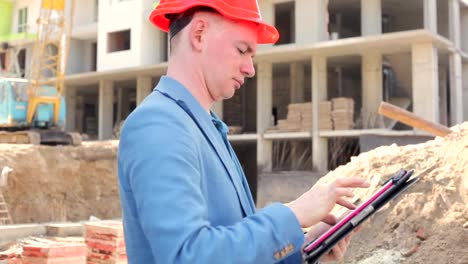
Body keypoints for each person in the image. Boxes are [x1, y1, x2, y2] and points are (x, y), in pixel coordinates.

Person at [117, 0, 369, 263]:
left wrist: (302, 250)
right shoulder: (159, 125)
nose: (250, 69)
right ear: (199, 34)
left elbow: (231, 245)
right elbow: (187, 256)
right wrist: (292, 215)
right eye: (242, 50)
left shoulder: (205, 128)